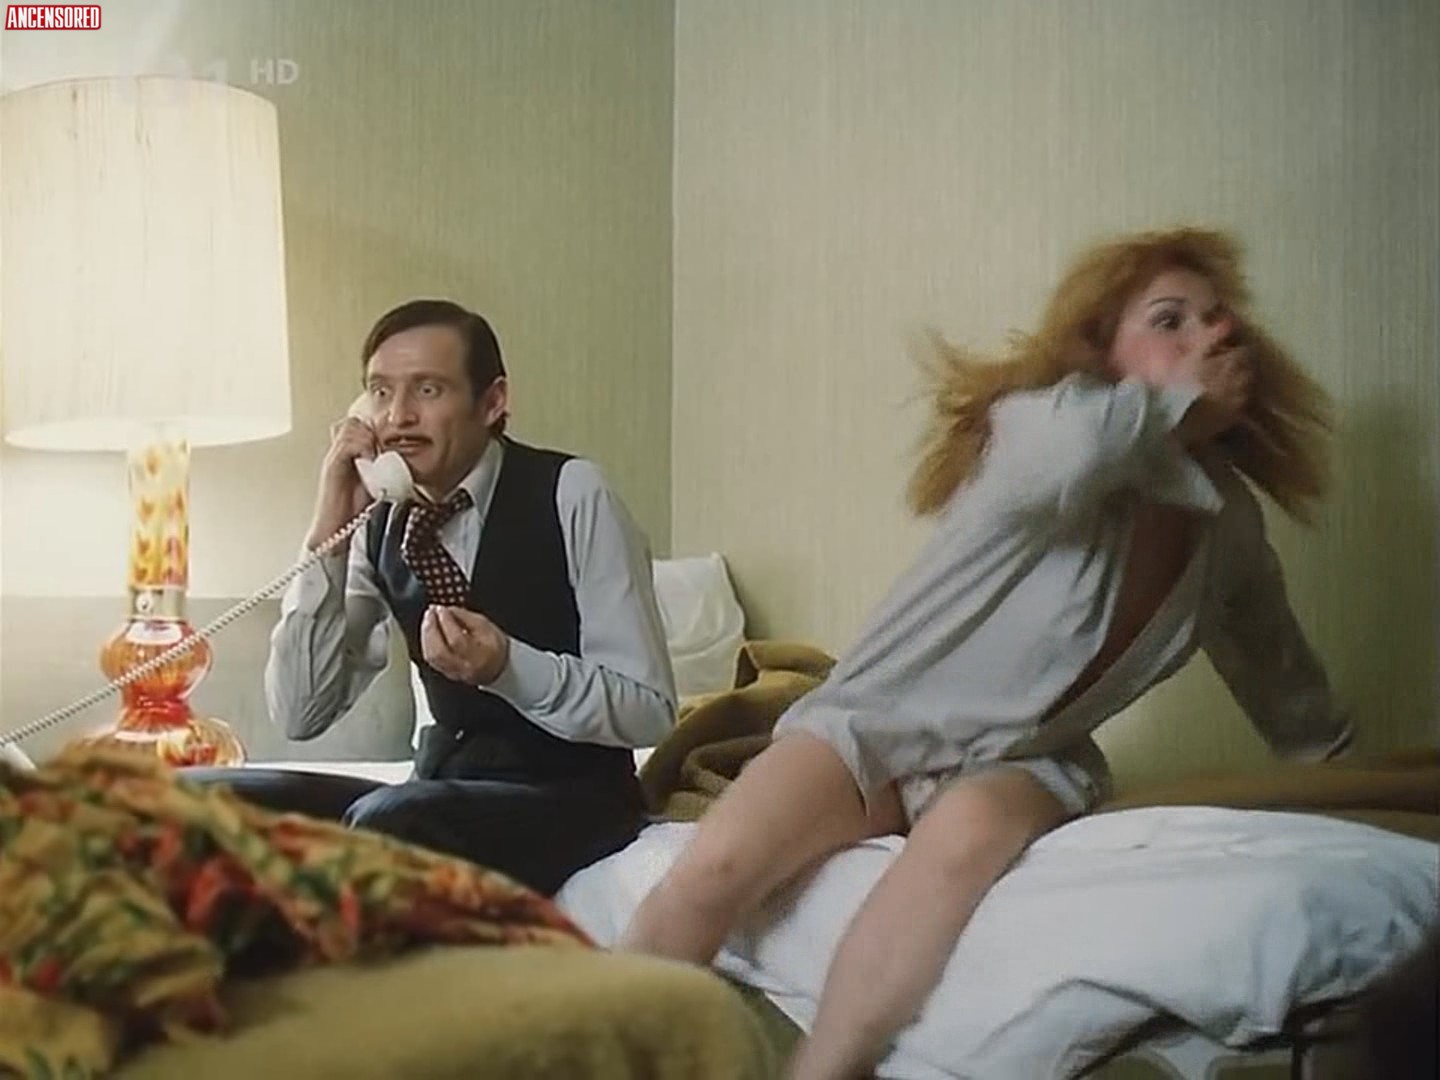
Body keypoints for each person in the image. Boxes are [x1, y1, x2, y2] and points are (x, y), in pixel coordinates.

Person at [617, 227, 1355, 1079]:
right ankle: (582, 1049)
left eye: (1218, 320)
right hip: (875, 720)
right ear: (1103, 353)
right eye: (1169, 320)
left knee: (963, 840)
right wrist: (1178, 407)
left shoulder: (1226, 521)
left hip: (1026, 757)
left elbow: (1283, 678)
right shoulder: (1042, 428)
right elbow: (1073, 450)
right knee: (715, 867)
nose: (1211, 335)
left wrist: (1344, 784)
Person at [193, 299, 677, 896]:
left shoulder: (573, 492)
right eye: (380, 392)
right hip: (439, 788)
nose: (398, 417)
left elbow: (649, 709)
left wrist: (508, 668)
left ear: (492, 402)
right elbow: (301, 712)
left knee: (389, 823)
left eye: (427, 390)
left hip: (571, 797)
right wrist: (327, 537)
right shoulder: (378, 523)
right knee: (205, 799)